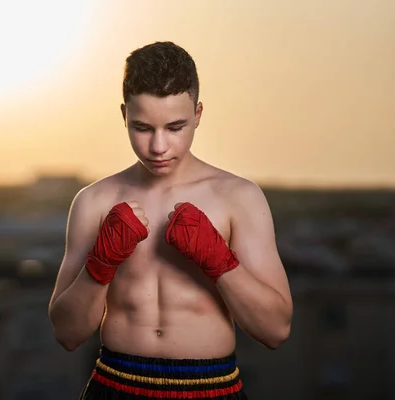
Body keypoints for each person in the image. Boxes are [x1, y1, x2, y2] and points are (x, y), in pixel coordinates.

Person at [48, 41, 293, 399]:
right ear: (124, 116)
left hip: (212, 388)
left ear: (198, 113)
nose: (158, 146)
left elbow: (275, 330)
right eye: (142, 128)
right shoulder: (94, 201)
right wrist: (99, 264)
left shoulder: (238, 197)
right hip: (115, 384)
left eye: (175, 127)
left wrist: (220, 261)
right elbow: (67, 334)